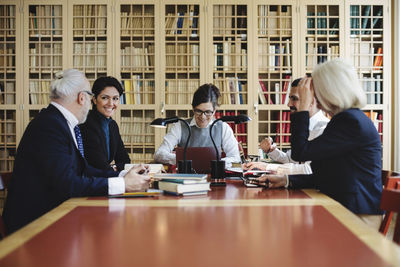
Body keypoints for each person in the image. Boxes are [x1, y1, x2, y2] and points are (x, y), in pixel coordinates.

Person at [3, 69, 150, 234]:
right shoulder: (49, 126)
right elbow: (67, 184)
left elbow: (82, 169)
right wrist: (123, 184)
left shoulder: (59, 122)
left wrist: (123, 176)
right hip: (35, 224)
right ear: (83, 97)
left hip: (56, 214)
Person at [258, 59, 382, 215]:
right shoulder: (345, 119)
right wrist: (287, 180)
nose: (314, 96)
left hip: (356, 215)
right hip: (343, 206)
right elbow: (327, 176)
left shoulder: (350, 121)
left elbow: (300, 153)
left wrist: (303, 107)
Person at [244, 78, 330, 175]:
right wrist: (271, 151)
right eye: (289, 98)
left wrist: (267, 166)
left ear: (311, 101)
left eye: (294, 99)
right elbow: (292, 160)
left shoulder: (325, 129)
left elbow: (309, 169)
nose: (288, 104)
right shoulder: (302, 125)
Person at [154, 83, 240, 167]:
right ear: (192, 108)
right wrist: (182, 159)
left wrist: (216, 163)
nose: (203, 117)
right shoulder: (180, 126)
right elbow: (159, 154)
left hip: (214, 176)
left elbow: (236, 158)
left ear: (214, 110)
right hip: (187, 177)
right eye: (198, 111)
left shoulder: (223, 128)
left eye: (208, 112)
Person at [79, 76, 130, 172]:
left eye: (115, 98)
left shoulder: (112, 125)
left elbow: (125, 160)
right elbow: (98, 165)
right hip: (91, 181)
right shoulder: (86, 124)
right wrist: (115, 168)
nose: (111, 103)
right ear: (94, 99)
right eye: (105, 98)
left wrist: (114, 168)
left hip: (106, 178)